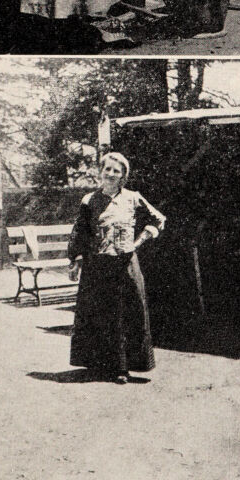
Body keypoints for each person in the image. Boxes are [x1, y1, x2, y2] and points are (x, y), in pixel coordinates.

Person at [67, 152, 166, 383]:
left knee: (125, 314)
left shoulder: (133, 198)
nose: (111, 174)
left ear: (123, 176)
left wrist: (138, 241)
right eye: (107, 169)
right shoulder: (89, 200)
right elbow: (80, 233)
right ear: (100, 171)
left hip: (125, 266)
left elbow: (158, 220)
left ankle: (123, 368)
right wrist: (75, 261)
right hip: (97, 266)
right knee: (98, 315)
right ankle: (99, 366)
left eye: (116, 171)